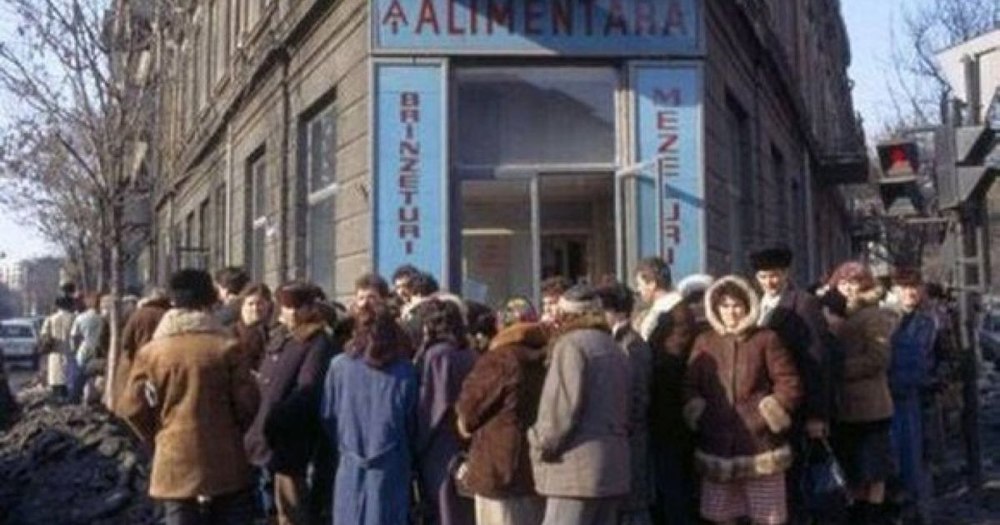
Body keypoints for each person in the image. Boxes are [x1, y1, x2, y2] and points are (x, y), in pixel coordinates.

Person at [117, 268, 260, 525]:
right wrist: (233, 430)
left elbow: (131, 408)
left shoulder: (152, 352)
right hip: (224, 456)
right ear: (209, 301)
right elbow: (248, 402)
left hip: (173, 458)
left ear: (173, 301)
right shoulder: (227, 347)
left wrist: (157, 435)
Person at [683, 275, 803, 525]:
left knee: (767, 517)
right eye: (724, 306)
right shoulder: (705, 341)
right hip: (717, 442)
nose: (731, 312)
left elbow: (788, 381)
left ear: (748, 306)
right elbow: (690, 385)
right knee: (721, 515)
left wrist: (770, 412)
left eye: (737, 305)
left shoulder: (766, 339)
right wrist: (700, 413)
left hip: (761, 444)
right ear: (715, 308)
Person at [528, 284, 631, 525]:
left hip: (574, 471)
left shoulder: (570, 346)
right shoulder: (615, 348)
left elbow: (559, 412)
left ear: (567, 315)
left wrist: (538, 444)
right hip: (612, 468)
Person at [749, 246, 834, 523]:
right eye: (763, 276)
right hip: (765, 406)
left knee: (793, 481)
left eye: (775, 275)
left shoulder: (804, 304)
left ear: (786, 273)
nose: (769, 282)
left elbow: (817, 360)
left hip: (795, 403)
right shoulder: (755, 305)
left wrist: (817, 414)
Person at [244, 282, 338, 525]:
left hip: (290, 440)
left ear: (310, 308)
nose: (293, 313)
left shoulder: (317, 341)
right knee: (269, 510)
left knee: (291, 510)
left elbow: (308, 389)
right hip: (264, 436)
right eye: (287, 307)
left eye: (299, 307)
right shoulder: (281, 336)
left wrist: (277, 417)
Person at [321, 304, 417, 525]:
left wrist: (345, 443)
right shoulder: (405, 371)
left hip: (350, 461)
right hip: (391, 464)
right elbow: (411, 423)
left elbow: (328, 415)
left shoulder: (339, 366)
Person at [455, 302, 549, 525]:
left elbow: (469, 412)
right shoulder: (546, 355)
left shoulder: (500, 358)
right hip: (535, 466)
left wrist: (462, 423)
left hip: (498, 466)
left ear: (501, 325)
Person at [826, 261, 899, 524]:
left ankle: (872, 517)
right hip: (845, 407)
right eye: (843, 282)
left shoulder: (871, 314)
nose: (848, 288)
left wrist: (839, 368)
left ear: (865, 285)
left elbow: (879, 358)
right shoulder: (838, 312)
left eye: (854, 282)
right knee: (853, 471)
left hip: (870, 407)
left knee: (874, 471)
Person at [634, 256, 697, 525]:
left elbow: (671, 362)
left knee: (671, 483)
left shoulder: (677, 314)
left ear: (651, 283)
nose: (638, 290)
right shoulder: (656, 313)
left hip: (668, 411)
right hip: (658, 409)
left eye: (640, 284)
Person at [413, 298, 477, 525]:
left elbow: (433, 406)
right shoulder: (468, 352)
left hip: (441, 445)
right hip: (465, 441)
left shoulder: (438, 355)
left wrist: (416, 443)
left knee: (443, 509)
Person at [886, 269, 942, 525]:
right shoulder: (885, 318)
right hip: (887, 398)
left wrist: (935, 380)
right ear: (895, 290)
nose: (911, 292)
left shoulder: (928, 322)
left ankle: (916, 510)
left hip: (917, 398)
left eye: (915, 287)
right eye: (905, 287)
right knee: (892, 458)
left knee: (918, 459)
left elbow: (937, 357)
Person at [598, 282, 653, 525]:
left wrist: (621, 426)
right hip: (619, 438)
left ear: (617, 312)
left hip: (630, 440)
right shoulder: (614, 340)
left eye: (602, 310)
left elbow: (638, 397)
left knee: (632, 508)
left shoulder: (632, 344)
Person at [111, 288, 171, 412]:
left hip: (139, 360)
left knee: (137, 396)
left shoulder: (138, 315)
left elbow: (126, 341)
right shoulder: (168, 315)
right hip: (163, 361)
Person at [38, 296, 77, 401]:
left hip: (55, 355)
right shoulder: (74, 318)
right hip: (70, 354)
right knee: (69, 384)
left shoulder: (50, 319)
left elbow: (44, 336)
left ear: (57, 306)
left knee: (56, 384)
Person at [69, 292, 106, 403]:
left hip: (84, 351)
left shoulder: (80, 318)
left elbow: (73, 336)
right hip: (99, 352)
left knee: (80, 376)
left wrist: (74, 350)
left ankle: (75, 398)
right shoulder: (102, 319)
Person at [235, 283, 274, 373]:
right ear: (242, 306)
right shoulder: (232, 334)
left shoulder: (273, 332)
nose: (255, 308)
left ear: (268, 305)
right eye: (250, 304)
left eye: (260, 303)